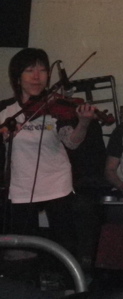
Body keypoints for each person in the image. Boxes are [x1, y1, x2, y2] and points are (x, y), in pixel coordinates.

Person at [0, 48, 96, 257]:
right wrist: (5, 133)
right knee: (22, 249)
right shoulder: (6, 111)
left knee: (65, 246)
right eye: (29, 71)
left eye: (42, 70)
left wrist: (83, 123)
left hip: (57, 181)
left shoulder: (56, 108)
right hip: (22, 185)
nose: (37, 77)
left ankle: (68, 278)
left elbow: (71, 142)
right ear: (17, 78)